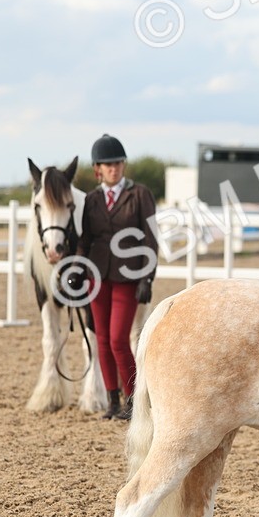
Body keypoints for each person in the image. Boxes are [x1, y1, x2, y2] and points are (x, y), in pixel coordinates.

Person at [80, 134, 158, 421]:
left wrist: (147, 278)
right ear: (97, 169)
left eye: (117, 163)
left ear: (123, 165)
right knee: (101, 339)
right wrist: (77, 270)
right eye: (107, 165)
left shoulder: (139, 195)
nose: (113, 169)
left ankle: (132, 400)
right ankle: (112, 401)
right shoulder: (91, 199)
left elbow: (150, 239)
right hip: (96, 277)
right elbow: (85, 240)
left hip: (128, 276)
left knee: (117, 339)